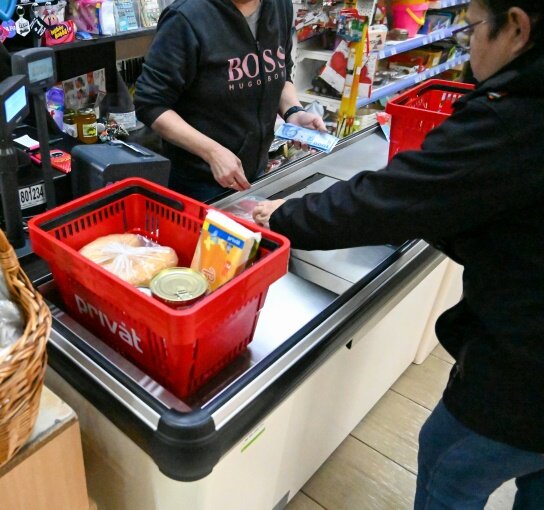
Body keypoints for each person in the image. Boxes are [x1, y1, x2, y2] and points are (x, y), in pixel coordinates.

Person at [252, 1, 544, 508]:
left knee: (448, 466)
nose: (467, 43)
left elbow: (390, 200)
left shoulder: (517, 114)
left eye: (473, 27)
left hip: (524, 376)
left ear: (516, 27)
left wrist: (280, 217)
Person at [133, 0, 325, 201]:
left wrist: (293, 112)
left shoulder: (279, 6)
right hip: (199, 181)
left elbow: (280, 72)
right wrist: (212, 152)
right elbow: (150, 103)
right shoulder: (186, 17)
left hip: (254, 171)